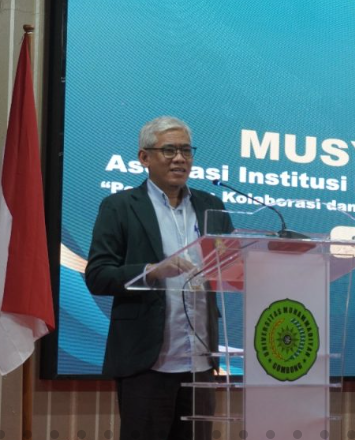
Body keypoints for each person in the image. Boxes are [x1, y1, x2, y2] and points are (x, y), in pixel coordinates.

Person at [85, 116, 232, 440]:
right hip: (147, 364)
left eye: (186, 150)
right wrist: (152, 271)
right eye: (169, 150)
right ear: (144, 157)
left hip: (200, 364)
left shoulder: (212, 206)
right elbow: (97, 275)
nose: (180, 159)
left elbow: (230, 265)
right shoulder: (120, 207)